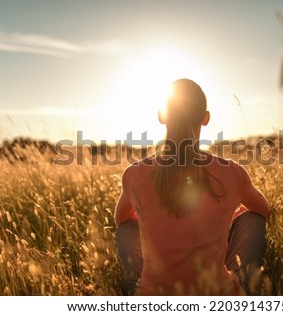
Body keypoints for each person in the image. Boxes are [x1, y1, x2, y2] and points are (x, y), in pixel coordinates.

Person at [115, 78, 270, 295]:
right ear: (205, 118)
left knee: (127, 228)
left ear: (162, 116)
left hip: (153, 296)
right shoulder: (233, 172)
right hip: (218, 296)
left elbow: (121, 219)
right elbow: (263, 209)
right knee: (251, 218)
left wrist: (158, 221)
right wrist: (223, 218)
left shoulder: (134, 174)